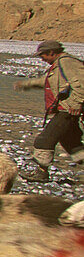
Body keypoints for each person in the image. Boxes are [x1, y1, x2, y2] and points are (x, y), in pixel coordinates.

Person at [13, 40, 84, 182]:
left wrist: (76, 104)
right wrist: (27, 84)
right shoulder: (59, 65)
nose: (42, 59)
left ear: (51, 52)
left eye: (43, 56)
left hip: (68, 110)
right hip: (66, 109)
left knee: (44, 141)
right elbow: (48, 81)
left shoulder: (67, 63)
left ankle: (42, 173)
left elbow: (81, 83)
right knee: (71, 142)